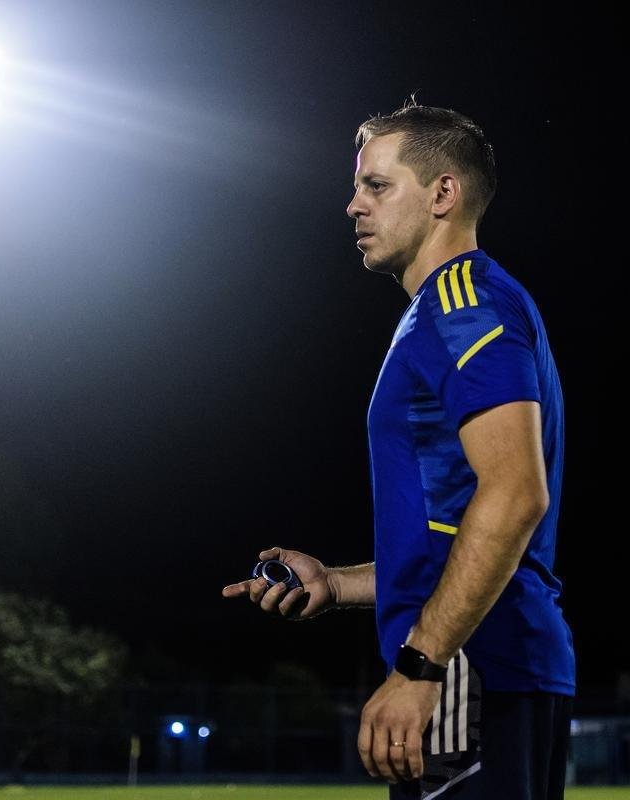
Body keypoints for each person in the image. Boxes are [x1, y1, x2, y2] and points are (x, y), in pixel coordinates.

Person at [222, 102, 575, 800]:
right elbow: (455, 540)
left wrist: (420, 666)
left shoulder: (464, 305)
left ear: (443, 193)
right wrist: (336, 584)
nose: (353, 205)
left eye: (377, 186)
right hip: (481, 669)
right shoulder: (446, 308)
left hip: (472, 671)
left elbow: (515, 495)